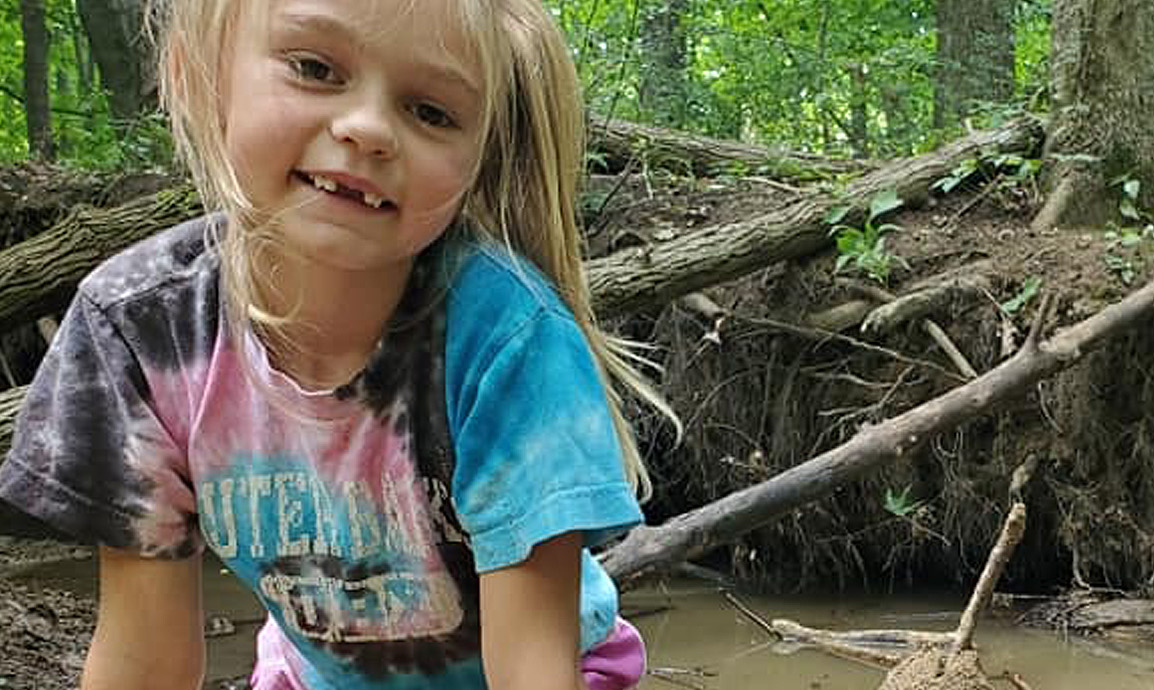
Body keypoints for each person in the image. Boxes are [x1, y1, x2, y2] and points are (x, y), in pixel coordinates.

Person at [0, 0, 674, 687]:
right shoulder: (143, 334)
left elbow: (532, 669)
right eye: (315, 68)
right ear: (198, 75)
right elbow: (145, 660)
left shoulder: (509, 344)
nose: (369, 129)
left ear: (479, 157)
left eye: (432, 112)